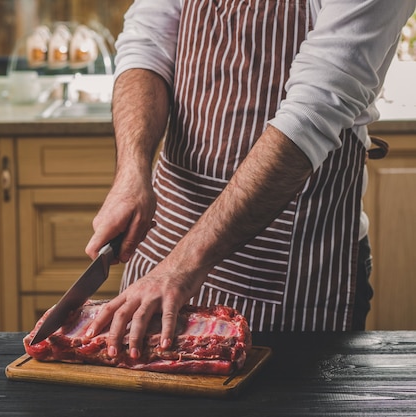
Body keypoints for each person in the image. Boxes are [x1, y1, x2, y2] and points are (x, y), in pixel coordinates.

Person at [83, 0, 416, 360]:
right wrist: (132, 170)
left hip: (290, 275)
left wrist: (182, 266)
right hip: (163, 247)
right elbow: (146, 45)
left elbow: (312, 112)